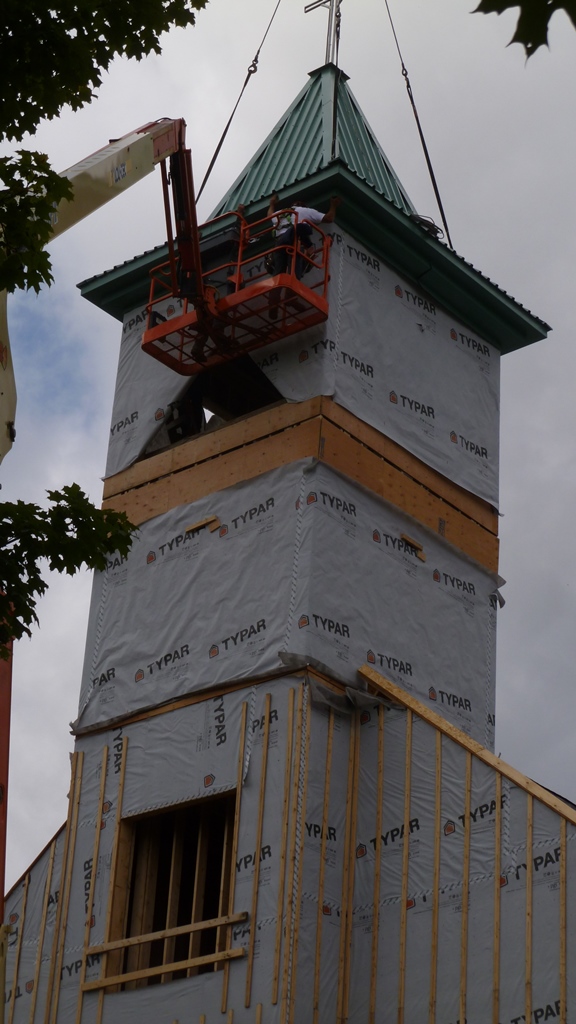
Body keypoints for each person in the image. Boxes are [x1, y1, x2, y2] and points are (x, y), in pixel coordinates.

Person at [266, 194, 341, 318]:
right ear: (302, 206)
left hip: (279, 244)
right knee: (294, 272)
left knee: (278, 274)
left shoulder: (281, 213)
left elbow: (269, 215)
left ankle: (273, 303)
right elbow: (329, 218)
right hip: (294, 242)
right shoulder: (305, 211)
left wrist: (272, 204)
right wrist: (333, 206)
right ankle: (290, 297)